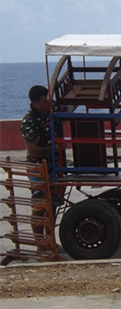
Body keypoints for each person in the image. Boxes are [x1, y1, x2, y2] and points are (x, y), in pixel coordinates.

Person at [20, 85, 65, 251]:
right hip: (38, 167)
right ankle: (40, 244)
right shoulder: (29, 122)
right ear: (35, 103)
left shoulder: (50, 115)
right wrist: (55, 148)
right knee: (39, 207)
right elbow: (33, 150)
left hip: (54, 166)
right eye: (45, 101)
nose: (49, 104)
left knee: (52, 205)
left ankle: (50, 241)